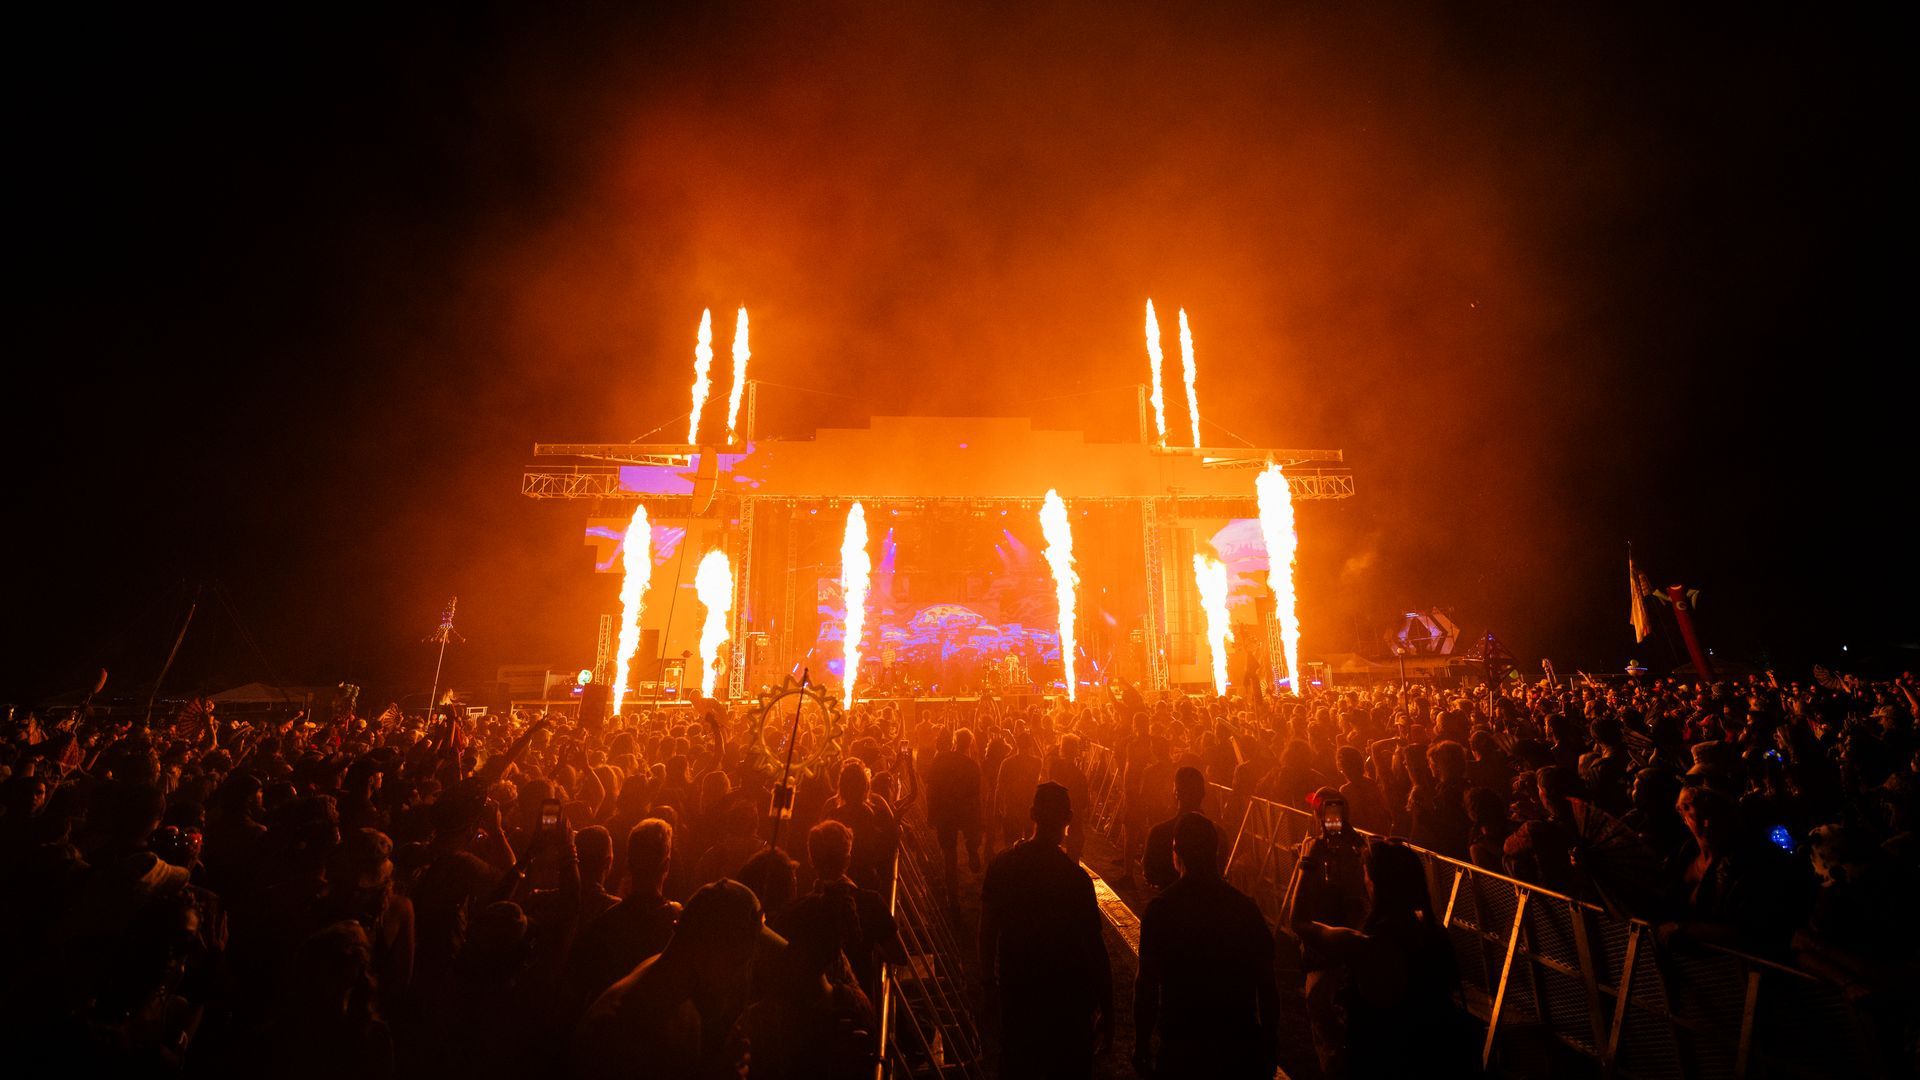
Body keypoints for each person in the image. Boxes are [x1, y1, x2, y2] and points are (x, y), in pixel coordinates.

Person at [1297, 840, 1472, 1078]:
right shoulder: (1433, 933)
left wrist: (1306, 864)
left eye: (1366, 873)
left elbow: (1300, 923)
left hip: (1378, 1063)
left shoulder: (1366, 944)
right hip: (1429, 1059)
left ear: (1376, 885)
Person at [573, 879, 779, 1080]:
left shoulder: (674, 989)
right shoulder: (618, 1032)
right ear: (707, 949)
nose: (740, 976)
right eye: (740, 961)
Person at [979, 782, 1112, 1080]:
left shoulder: (1002, 867)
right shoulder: (1075, 879)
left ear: (1031, 814)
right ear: (1068, 819)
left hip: (1019, 994)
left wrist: (988, 982)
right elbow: (1094, 948)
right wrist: (1108, 1006)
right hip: (1067, 1004)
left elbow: (987, 929)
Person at [1135, 813, 1280, 1079]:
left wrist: (1141, 1043)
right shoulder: (1245, 909)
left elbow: (1146, 984)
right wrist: (1270, 1047)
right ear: (1215, 852)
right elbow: (1268, 987)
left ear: (1176, 851)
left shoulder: (1162, 910)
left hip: (1184, 1048)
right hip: (1237, 1047)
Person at [1141, 766, 1228, 890]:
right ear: (1203, 793)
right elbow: (1220, 871)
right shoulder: (1219, 834)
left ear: (1176, 792)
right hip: (1207, 905)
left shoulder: (1158, 832)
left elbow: (1149, 874)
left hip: (1170, 904)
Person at [925, 727, 983, 908]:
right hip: (965, 812)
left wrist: (931, 812)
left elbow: (931, 787)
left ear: (955, 742)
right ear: (969, 744)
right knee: (969, 839)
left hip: (945, 813)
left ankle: (953, 897)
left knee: (949, 855)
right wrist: (977, 821)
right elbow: (976, 797)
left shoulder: (941, 758)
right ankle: (972, 849)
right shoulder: (972, 766)